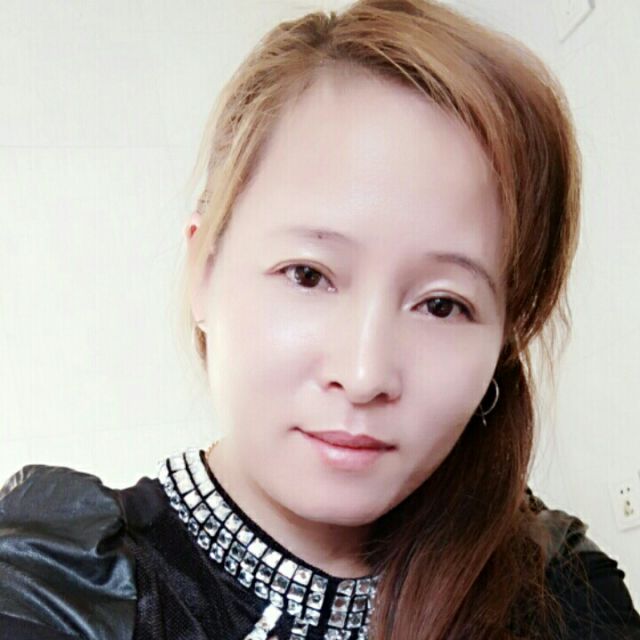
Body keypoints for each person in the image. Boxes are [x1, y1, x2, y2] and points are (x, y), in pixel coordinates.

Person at [0, 0, 639, 638]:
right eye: (308, 274)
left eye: (442, 304)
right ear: (203, 269)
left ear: (504, 339)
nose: (364, 375)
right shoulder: (62, 587)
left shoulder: (562, 591)